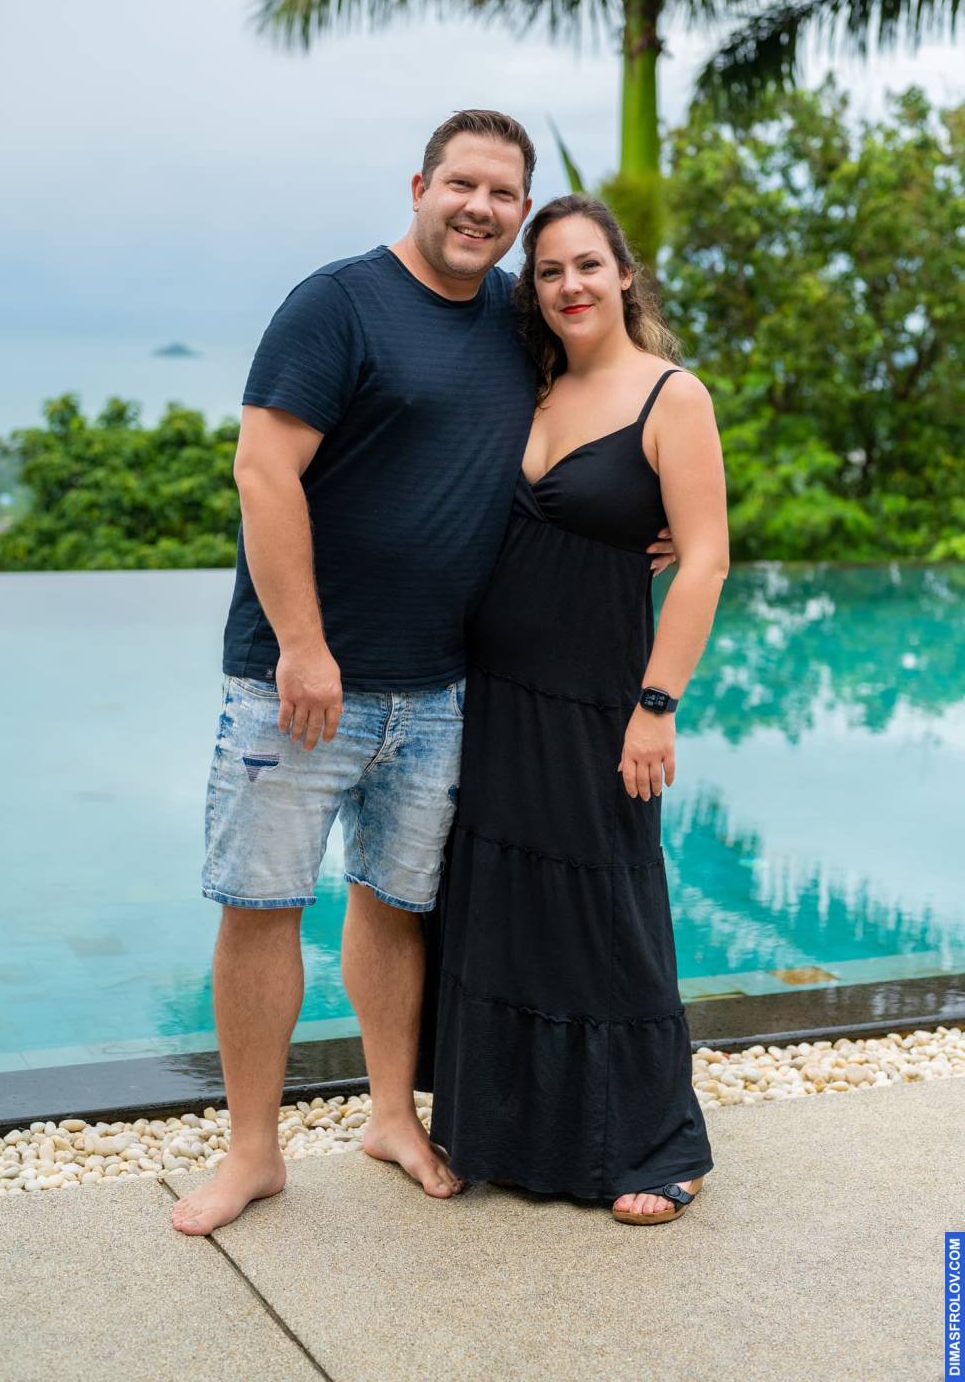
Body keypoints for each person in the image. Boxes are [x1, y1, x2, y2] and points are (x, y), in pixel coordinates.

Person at [171, 112, 677, 1237]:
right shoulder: (337, 304)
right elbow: (263, 470)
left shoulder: (515, 317)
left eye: (502, 194)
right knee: (261, 905)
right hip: (297, 681)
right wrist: (304, 645)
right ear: (419, 186)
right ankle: (252, 1152)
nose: (479, 209)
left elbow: (608, 411)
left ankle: (392, 1116)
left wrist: (642, 523)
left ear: (520, 211)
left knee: (396, 906)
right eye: (461, 185)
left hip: (445, 688)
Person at [420, 194, 729, 1224]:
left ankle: (660, 1144)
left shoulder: (672, 396)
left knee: (609, 912)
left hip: (602, 698)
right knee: (501, 906)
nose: (570, 286)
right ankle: (508, 1132)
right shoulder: (531, 386)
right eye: (548, 271)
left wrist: (656, 704)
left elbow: (705, 559)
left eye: (587, 264)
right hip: (495, 695)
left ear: (623, 274)